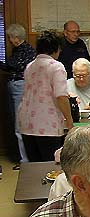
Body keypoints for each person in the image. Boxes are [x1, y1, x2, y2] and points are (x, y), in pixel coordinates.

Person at [18, 31, 73, 162]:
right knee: (50, 164)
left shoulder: (30, 66)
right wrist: (69, 121)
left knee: (34, 164)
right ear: (56, 49)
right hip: (47, 123)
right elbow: (61, 96)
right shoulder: (56, 67)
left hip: (26, 122)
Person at [0, 24, 36, 168]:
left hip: (20, 87)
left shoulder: (25, 50)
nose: (9, 40)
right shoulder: (20, 50)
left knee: (19, 125)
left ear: (15, 38)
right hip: (18, 87)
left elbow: (11, 66)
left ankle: (24, 161)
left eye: (10, 37)